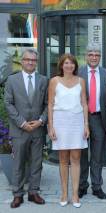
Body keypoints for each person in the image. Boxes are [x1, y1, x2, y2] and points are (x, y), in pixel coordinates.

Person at [4, 48, 48, 208]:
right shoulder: (12, 80)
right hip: (19, 129)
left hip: (37, 129)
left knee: (37, 162)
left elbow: (48, 104)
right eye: (27, 59)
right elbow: (8, 103)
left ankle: (33, 192)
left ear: (36, 62)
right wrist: (22, 122)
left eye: (33, 60)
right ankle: (17, 194)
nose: (30, 62)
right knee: (18, 163)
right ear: (22, 61)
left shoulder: (43, 80)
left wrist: (41, 121)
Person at [48, 53, 89, 208]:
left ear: (75, 66)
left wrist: (86, 125)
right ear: (61, 65)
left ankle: (75, 194)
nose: (69, 66)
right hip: (60, 122)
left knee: (76, 158)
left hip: (77, 122)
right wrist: (50, 126)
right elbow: (50, 104)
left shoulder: (81, 81)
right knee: (63, 159)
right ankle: (64, 192)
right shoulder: (54, 81)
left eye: (72, 63)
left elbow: (84, 103)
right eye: (66, 63)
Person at [78, 43, 106, 199]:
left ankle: (97, 186)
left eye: (96, 54)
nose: (93, 57)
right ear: (86, 56)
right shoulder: (78, 73)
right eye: (90, 54)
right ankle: (82, 185)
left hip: (99, 118)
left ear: (100, 57)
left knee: (97, 156)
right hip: (81, 119)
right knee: (82, 154)